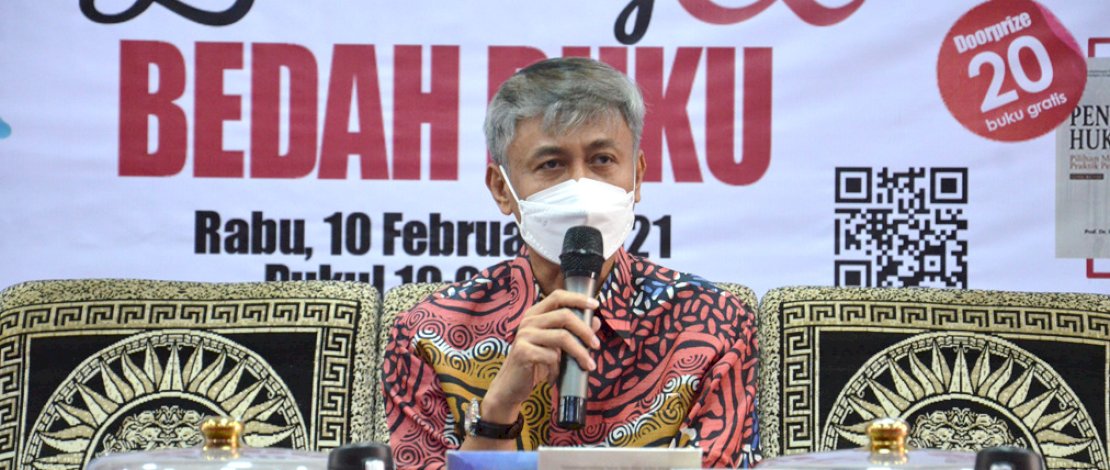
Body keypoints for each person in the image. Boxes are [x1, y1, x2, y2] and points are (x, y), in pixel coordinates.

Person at [381, 57, 758, 469]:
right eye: (552, 165)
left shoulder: (713, 326)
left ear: (638, 177)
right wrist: (498, 410)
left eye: (601, 160)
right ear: (501, 190)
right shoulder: (427, 337)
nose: (581, 188)